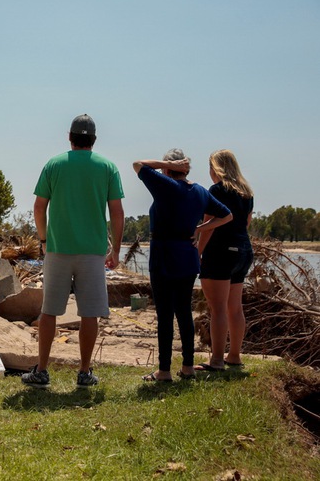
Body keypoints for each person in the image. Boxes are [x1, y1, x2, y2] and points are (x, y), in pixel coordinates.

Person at [21, 114, 124, 389]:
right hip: (92, 252)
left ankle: (42, 371)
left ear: (69, 137)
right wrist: (115, 248)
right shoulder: (108, 167)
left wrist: (43, 240)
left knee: (49, 311)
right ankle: (84, 372)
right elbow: (117, 212)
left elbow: (39, 207)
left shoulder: (54, 164)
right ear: (94, 139)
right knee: (89, 313)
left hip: (58, 250)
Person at [134, 149, 232, 382]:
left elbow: (138, 164)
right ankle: (188, 367)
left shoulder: (164, 185)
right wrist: (200, 229)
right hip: (187, 257)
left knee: (165, 314)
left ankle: (164, 371)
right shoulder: (199, 191)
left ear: (168, 169)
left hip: (163, 254)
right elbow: (227, 216)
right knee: (184, 313)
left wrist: (164, 163)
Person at [197, 149, 254, 371]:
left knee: (217, 308)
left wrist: (198, 252)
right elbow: (246, 223)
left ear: (216, 168)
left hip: (220, 252)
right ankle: (235, 356)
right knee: (235, 307)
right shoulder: (247, 192)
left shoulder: (217, 190)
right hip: (243, 251)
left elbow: (208, 225)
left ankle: (217, 360)